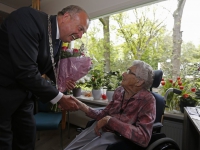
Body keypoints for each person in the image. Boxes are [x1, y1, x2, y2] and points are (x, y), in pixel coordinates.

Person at [0, 5, 90, 150]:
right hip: (3, 93)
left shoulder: (58, 38)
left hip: (24, 97)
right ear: (66, 17)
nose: (80, 36)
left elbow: (49, 66)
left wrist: (62, 79)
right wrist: (59, 98)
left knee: (26, 138)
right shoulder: (27, 18)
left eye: (83, 32)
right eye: (80, 29)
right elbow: (26, 71)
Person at [65, 60, 156, 150]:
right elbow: (102, 115)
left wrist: (110, 121)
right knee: (71, 147)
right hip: (102, 127)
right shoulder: (119, 91)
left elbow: (143, 138)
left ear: (139, 82)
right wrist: (82, 106)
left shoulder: (147, 100)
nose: (123, 74)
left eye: (129, 72)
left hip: (119, 137)